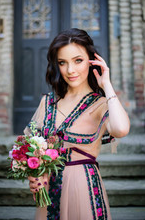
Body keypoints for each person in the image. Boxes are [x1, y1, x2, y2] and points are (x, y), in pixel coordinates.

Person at [24, 28, 130, 220]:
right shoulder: (47, 102)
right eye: (62, 63)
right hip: (48, 196)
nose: (70, 70)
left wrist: (106, 84)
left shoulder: (101, 104)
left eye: (78, 60)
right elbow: (29, 147)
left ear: (92, 60)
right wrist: (34, 173)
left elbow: (121, 129)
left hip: (84, 189)